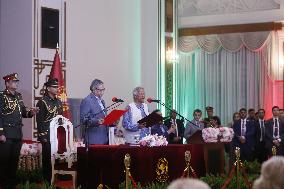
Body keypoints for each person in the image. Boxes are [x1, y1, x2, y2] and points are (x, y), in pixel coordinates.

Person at [0, 73, 38, 189]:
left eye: (17, 82)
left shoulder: (18, 96)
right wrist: (1, 133)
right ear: (7, 83)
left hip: (17, 133)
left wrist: (31, 113)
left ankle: (11, 184)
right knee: (4, 161)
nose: (16, 84)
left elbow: (23, 113)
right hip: (6, 133)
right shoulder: (1, 96)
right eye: (14, 82)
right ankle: (3, 184)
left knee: (14, 161)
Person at [36, 78, 63, 182]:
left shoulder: (59, 102)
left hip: (57, 135)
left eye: (57, 87)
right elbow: (40, 121)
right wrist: (43, 136)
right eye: (54, 87)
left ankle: (56, 181)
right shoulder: (42, 102)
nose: (56, 89)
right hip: (47, 134)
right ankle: (47, 182)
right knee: (47, 159)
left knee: (58, 159)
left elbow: (62, 119)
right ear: (48, 88)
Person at [80, 79, 109, 145]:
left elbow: (104, 118)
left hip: (104, 138)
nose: (102, 92)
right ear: (94, 89)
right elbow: (83, 119)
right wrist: (97, 121)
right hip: (93, 140)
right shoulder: (87, 101)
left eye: (103, 89)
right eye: (100, 90)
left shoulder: (102, 101)